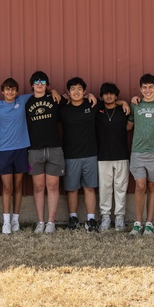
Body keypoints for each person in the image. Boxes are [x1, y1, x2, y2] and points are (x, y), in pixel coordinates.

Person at [0, 78, 32, 234]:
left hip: (21, 149)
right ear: (2, 91)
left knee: (18, 186)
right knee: (7, 187)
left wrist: (54, 92)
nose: (10, 92)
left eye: (13, 89)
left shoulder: (22, 100)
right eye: (7, 89)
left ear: (17, 92)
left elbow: (39, 92)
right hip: (4, 150)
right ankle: (6, 222)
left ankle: (15, 220)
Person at [129, 74, 154, 235]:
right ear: (140, 89)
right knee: (140, 185)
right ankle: (138, 223)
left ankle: (149, 223)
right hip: (137, 151)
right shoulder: (135, 104)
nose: (147, 90)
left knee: (152, 186)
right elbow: (129, 124)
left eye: (150, 87)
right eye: (144, 87)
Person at [59, 77, 99, 232]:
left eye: (79, 89)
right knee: (72, 188)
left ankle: (91, 219)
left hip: (90, 153)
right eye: (73, 89)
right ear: (68, 92)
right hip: (70, 155)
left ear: (85, 92)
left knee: (89, 188)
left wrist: (122, 103)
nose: (76, 92)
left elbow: (111, 103)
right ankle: (73, 217)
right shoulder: (63, 109)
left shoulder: (93, 105)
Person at [26, 70, 64, 234]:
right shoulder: (27, 103)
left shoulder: (55, 99)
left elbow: (75, 100)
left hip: (54, 148)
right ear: (32, 85)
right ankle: (40, 221)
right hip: (34, 150)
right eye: (36, 82)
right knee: (38, 187)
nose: (39, 84)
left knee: (53, 186)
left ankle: (51, 222)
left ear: (47, 85)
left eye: (43, 81)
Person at [96, 82, 130, 232]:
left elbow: (131, 124)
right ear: (101, 96)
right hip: (103, 156)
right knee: (105, 188)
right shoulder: (97, 110)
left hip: (122, 155)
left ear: (116, 96)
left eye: (111, 93)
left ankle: (120, 217)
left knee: (121, 187)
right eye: (105, 93)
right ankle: (105, 216)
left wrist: (124, 102)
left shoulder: (124, 110)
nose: (108, 96)